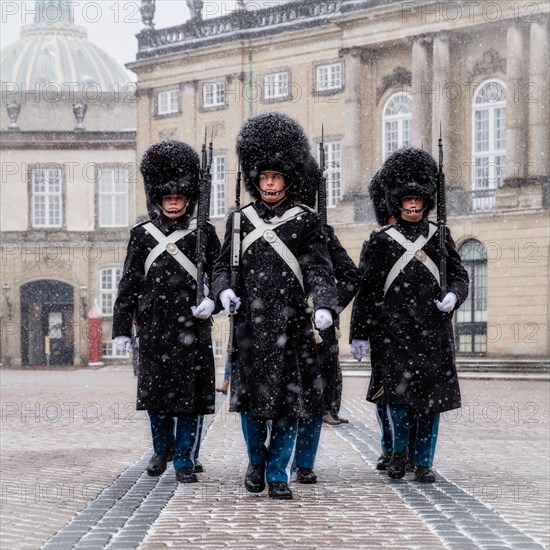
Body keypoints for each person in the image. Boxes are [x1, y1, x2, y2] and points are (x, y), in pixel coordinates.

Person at [212, 112, 338, 500]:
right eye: (263, 177)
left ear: (287, 179)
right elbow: (222, 268)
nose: (269, 183)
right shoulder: (239, 221)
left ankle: (279, 473)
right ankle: (256, 462)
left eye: (276, 177)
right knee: (251, 407)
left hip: (292, 325)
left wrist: (324, 304)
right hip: (251, 326)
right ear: (256, 179)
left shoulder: (306, 221)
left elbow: (319, 266)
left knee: (288, 407)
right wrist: (223, 292)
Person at [350, 148, 469, 483]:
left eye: (418, 201)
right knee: (399, 402)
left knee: (429, 404)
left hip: (432, 331)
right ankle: (399, 455)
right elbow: (368, 291)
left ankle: (424, 460)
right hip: (395, 334)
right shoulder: (381, 241)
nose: (413, 206)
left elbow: (460, 277)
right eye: (407, 201)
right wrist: (359, 333)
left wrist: (453, 296)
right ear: (397, 203)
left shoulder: (440, 235)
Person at [113, 140, 221, 483]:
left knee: (191, 400)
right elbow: (129, 283)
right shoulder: (142, 235)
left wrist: (213, 301)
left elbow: (220, 275)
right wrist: (120, 329)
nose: (173, 202)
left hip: (192, 325)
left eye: (178, 197)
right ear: (158, 199)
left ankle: (186, 457)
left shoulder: (204, 233)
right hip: (155, 327)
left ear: (188, 198)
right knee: (156, 398)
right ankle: (163, 448)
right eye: (167, 197)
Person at [293, 155, 361, 484]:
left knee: (315, 398)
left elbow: (350, 276)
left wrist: (328, 307)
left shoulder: (322, 232)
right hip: (279, 326)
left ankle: (303, 462)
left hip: (317, 332)